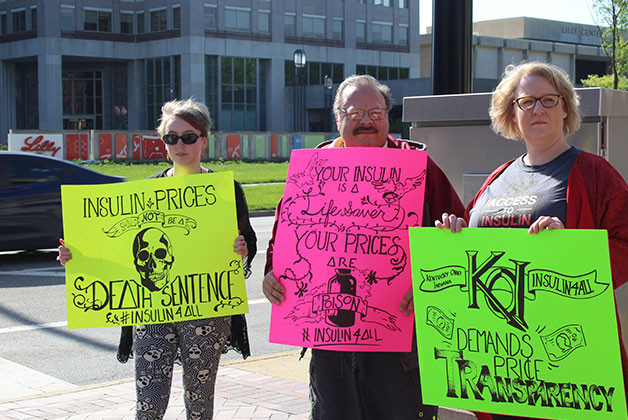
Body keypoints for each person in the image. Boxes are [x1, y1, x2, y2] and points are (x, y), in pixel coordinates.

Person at [436, 62, 628, 420]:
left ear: (565, 108)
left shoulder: (595, 174)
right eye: (527, 101)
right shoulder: (497, 179)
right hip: (500, 362)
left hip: (561, 362)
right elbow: (473, 253)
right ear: (512, 113)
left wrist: (572, 247)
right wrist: (454, 233)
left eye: (549, 100)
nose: (538, 109)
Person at [262, 74, 465, 420]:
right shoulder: (312, 170)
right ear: (337, 117)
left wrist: (431, 281)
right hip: (329, 343)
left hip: (400, 343)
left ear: (389, 116)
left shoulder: (418, 168)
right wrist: (271, 274)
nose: (366, 121)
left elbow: (457, 234)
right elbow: (285, 235)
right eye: (355, 113)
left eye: (376, 112)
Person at [58, 98, 257, 420]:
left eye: (188, 137)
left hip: (205, 313)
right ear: (163, 144)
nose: (180, 144)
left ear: (203, 140)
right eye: (171, 137)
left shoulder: (225, 190)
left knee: (199, 404)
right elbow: (118, 251)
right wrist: (76, 257)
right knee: (148, 406)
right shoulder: (145, 191)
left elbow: (248, 238)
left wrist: (241, 247)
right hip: (152, 311)